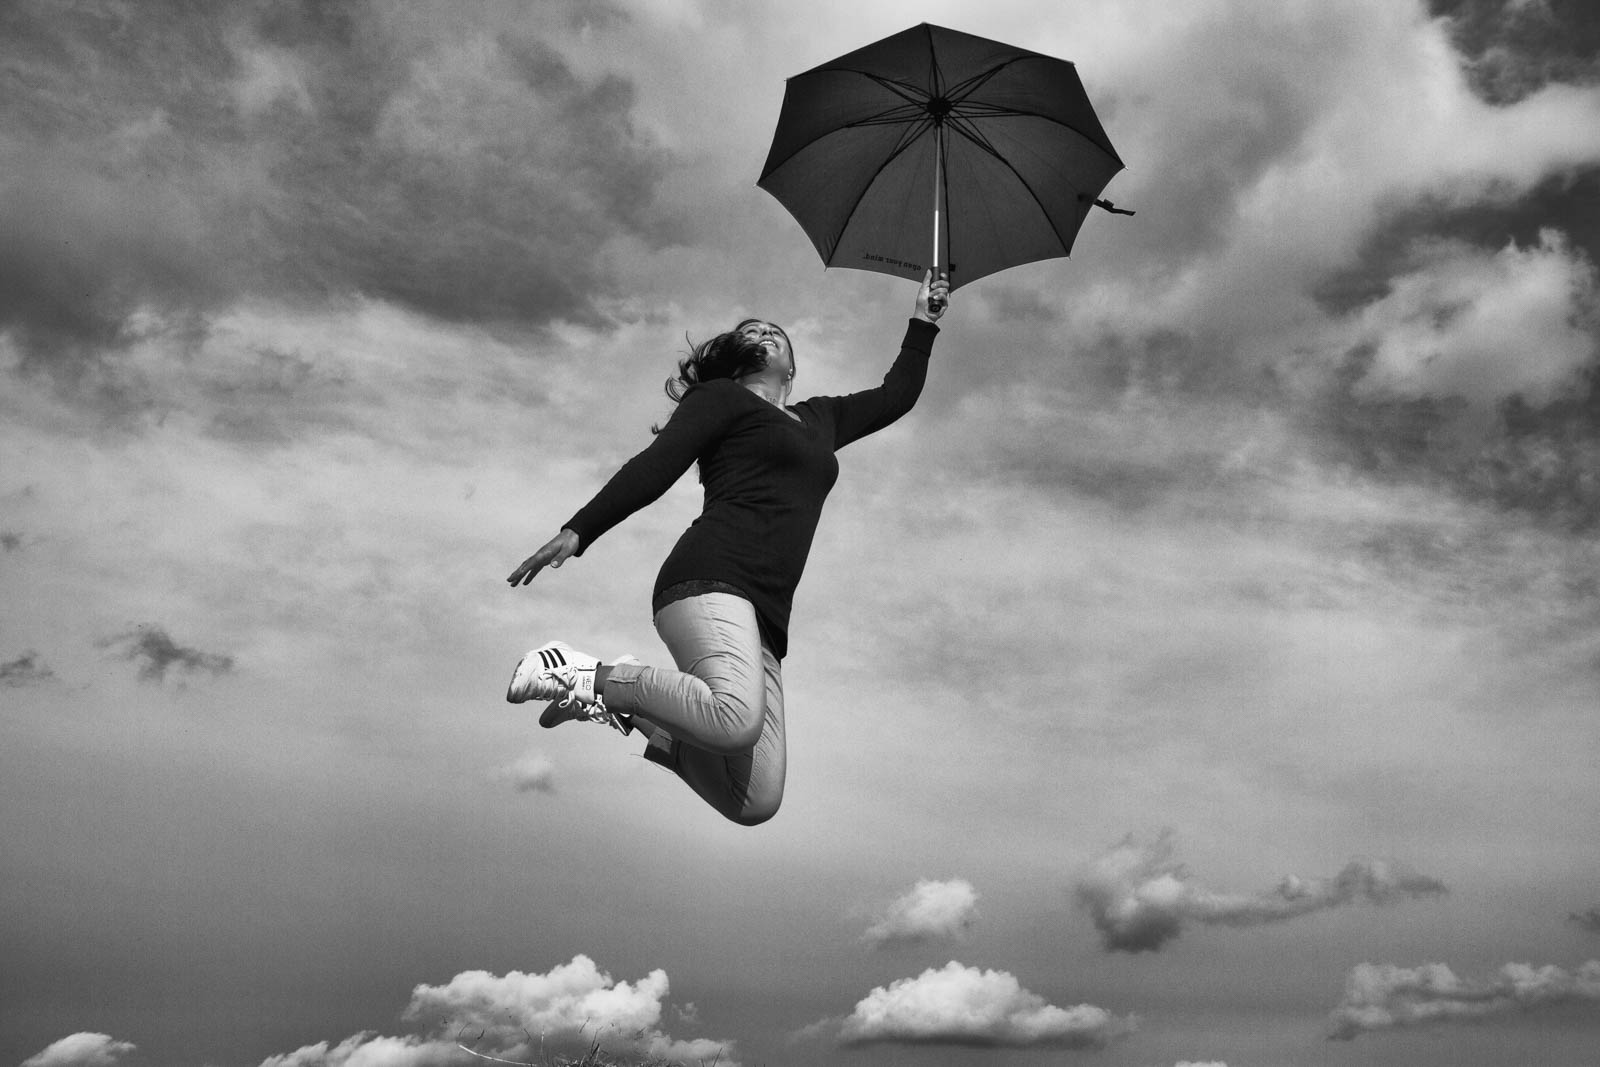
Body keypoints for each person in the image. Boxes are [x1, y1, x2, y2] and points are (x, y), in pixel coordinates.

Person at [505, 271, 950, 825]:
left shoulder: (822, 419)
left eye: (774, 332)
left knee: (754, 798)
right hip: (710, 578)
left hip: (766, 617)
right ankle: (583, 674)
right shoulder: (721, 398)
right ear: (737, 358)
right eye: (751, 331)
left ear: (792, 367)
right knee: (735, 718)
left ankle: (630, 707)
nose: (764, 332)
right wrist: (580, 529)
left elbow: (896, 396)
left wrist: (923, 321)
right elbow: (657, 465)